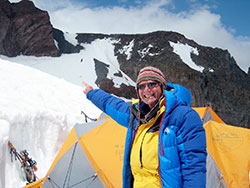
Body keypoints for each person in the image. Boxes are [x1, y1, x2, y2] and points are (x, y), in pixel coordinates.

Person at [83, 66, 207, 188]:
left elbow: (194, 165)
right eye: (141, 86)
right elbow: (112, 105)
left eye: (152, 84)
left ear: (162, 86)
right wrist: (92, 93)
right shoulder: (138, 116)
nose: (146, 89)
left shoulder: (183, 116)